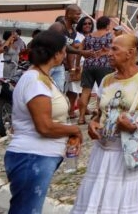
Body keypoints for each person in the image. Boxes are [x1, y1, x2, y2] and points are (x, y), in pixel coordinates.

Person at [71, 34, 138, 214]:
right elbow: (100, 112)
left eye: (115, 49)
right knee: (98, 196)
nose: (109, 53)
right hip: (102, 151)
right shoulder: (106, 80)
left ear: (130, 53)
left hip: (126, 152)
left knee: (122, 198)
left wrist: (137, 125)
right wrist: (93, 123)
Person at [4, 30, 82, 214]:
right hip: (33, 156)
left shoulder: (42, 77)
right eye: (64, 51)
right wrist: (74, 129)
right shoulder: (35, 81)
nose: (65, 54)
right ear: (56, 54)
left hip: (38, 155)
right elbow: (44, 126)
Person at [77, 16, 114, 125]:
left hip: (88, 65)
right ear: (107, 25)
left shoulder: (88, 37)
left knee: (85, 91)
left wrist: (77, 65)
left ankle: (81, 118)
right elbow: (115, 49)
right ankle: (99, 114)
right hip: (104, 65)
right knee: (104, 91)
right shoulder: (110, 36)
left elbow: (79, 50)